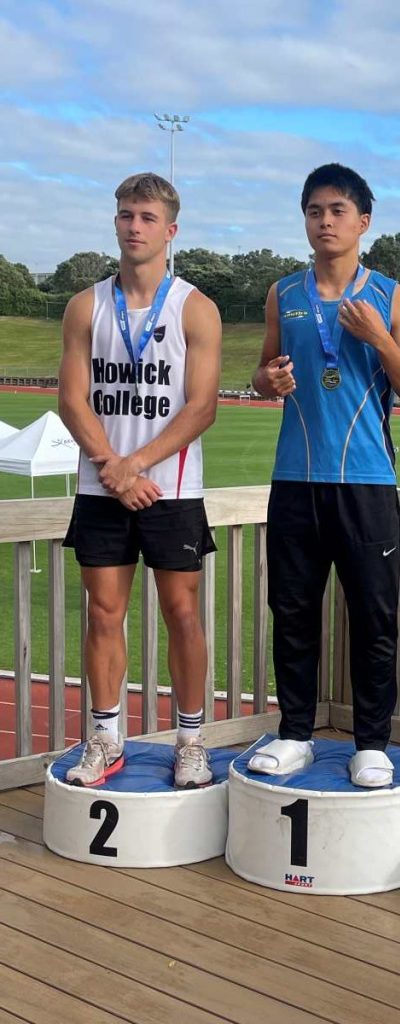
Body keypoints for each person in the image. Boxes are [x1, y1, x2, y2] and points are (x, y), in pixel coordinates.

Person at [249, 163, 400, 787]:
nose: (325, 222)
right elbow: (261, 374)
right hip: (295, 479)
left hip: (367, 482)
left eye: (337, 211)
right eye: (314, 211)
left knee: (374, 618)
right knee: (292, 612)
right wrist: (267, 381)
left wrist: (380, 338)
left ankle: (372, 744)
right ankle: (295, 733)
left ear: (363, 222)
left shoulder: (391, 296)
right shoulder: (283, 294)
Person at [58, 172, 222, 788]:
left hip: (171, 490)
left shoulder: (195, 307)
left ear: (170, 230)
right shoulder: (86, 305)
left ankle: (191, 740)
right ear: (115, 221)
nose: (135, 226)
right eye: (126, 215)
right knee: (103, 613)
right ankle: (106, 738)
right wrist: (115, 468)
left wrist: (136, 464)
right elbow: (72, 400)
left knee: (182, 614)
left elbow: (201, 407)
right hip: (103, 488)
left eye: (148, 217)